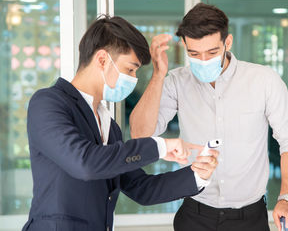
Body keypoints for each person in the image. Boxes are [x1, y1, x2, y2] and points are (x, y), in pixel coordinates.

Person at [22, 15, 219, 231]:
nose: (133, 78)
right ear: (102, 60)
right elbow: (84, 163)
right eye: (130, 69)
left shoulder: (109, 125)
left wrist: (197, 174)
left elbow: (140, 188)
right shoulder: (49, 102)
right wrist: (159, 146)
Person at [129, 3, 288, 231]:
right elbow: (141, 134)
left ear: (227, 42)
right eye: (194, 53)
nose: (203, 60)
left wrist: (287, 198)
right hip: (195, 212)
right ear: (184, 45)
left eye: (212, 52)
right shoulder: (175, 81)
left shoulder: (264, 81)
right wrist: (158, 75)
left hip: (250, 217)